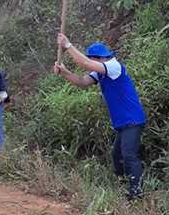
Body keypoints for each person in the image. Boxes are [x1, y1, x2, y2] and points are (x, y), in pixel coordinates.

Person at [54, 33, 147, 200]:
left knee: (129, 155)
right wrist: (64, 72)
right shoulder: (101, 73)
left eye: (93, 60)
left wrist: (68, 45)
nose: (90, 66)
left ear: (100, 58)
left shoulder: (113, 66)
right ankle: (122, 187)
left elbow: (85, 63)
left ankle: (136, 194)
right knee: (117, 156)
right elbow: (82, 82)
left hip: (132, 119)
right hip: (123, 122)